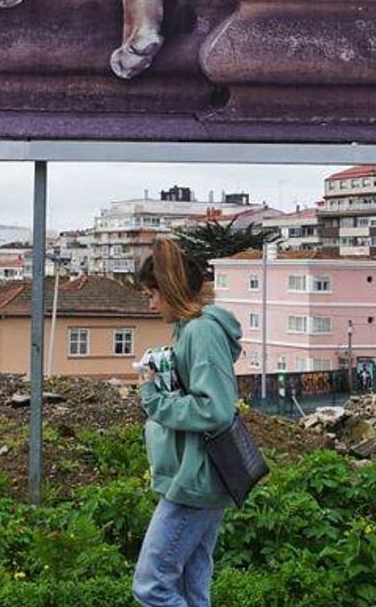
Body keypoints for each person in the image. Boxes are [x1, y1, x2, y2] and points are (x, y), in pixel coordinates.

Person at [133, 238, 243, 607]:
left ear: (169, 290)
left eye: (152, 294)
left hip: (195, 479)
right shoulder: (190, 331)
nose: (150, 304)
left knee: (153, 585)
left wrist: (153, 398)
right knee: (189, 586)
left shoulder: (201, 332)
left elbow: (215, 409)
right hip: (198, 474)